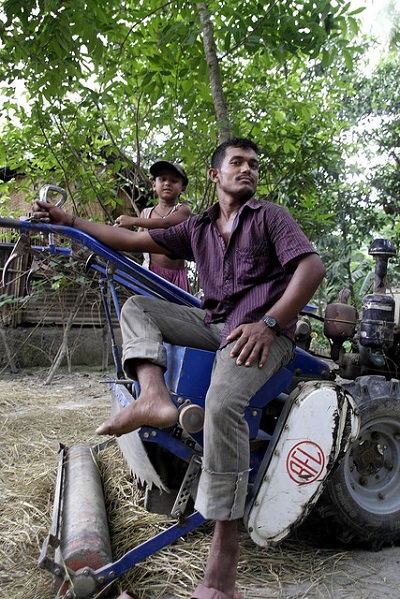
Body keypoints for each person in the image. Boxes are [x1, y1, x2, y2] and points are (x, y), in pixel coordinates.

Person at [33, 137, 326, 599]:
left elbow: (312, 267)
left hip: (262, 334)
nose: (247, 169)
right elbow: (130, 239)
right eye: (237, 162)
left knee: (223, 403)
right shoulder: (200, 229)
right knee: (138, 308)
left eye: (252, 163)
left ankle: (222, 568)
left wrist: (269, 324)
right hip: (214, 324)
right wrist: (69, 221)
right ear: (216, 175)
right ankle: (154, 396)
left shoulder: (270, 217)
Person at [114, 160, 192, 292]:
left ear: (182, 188)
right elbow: (135, 241)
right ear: (154, 185)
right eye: (162, 179)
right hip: (152, 274)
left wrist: (133, 220)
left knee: (177, 311)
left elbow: (166, 223)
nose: (167, 183)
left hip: (177, 276)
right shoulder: (146, 213)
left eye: (174, 181)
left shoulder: (183, 210)